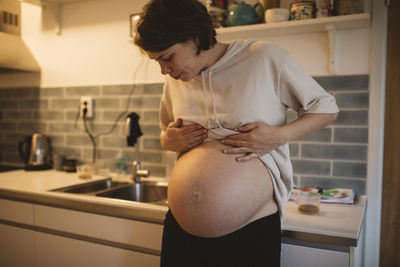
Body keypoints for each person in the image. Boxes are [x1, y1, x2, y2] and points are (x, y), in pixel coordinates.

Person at [134, 0, 339, 266]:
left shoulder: (264, 58)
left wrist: (279, 136)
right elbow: (167, 132)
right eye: (156, 61)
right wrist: (167, 140)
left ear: (194, 38)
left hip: (250, 231)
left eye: (167, 57)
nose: (164, 70)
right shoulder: (176, 81)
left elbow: (327, 109)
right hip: (180, 230)